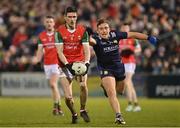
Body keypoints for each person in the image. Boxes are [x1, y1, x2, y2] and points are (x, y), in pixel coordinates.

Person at [89, 18, 157, 125]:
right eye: (101, 29)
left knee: (120, 91)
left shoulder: (115, 35)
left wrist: (148, 37)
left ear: (109, 29)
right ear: (97, 31)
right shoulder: (96, 39)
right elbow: (90, 42)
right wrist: (85, 37)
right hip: (106, 69)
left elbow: (133, 34)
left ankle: (105, 86)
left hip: (119, 68)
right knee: (112, 92)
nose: (104, 30)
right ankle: (118, 116)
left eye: (106, 28)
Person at [56, 6, 90, 124]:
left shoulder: (82, 30)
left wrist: (87, 63)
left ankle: (83, 109)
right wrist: (67, 64)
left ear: (77, 17)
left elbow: (86, 50)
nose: (72, 19)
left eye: (74, 17)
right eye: (69, 17)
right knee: (68, 97)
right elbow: (59, 52)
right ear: (65, 18)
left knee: (83, 85)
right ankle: (74, 114)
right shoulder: (59, 31)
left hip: (79, 62)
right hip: (64, 65)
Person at [34, 15, 63, 116]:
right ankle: (59, 107)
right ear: (44, 24)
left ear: (54, 23)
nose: (49, 23)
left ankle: (56, 105)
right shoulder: (41, 36)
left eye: (51, 21)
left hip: (56, 63)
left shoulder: (58, 34)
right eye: (47, 22)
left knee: (53, 84)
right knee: (53, 87)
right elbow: (39, 51)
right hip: (47, 64)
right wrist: (37, 60)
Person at [119, 24, 142, 112]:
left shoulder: (133, 39)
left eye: (126, 27)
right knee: (130, 84)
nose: (125, 28)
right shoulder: (119, 39)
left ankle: (129, 104)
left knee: (127, 81)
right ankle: (136, 104)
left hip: (130, 62)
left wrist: (132, 51)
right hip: (122, 63)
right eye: (124, 27)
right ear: (121, 28)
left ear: (129, 29)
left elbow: (138, 49)